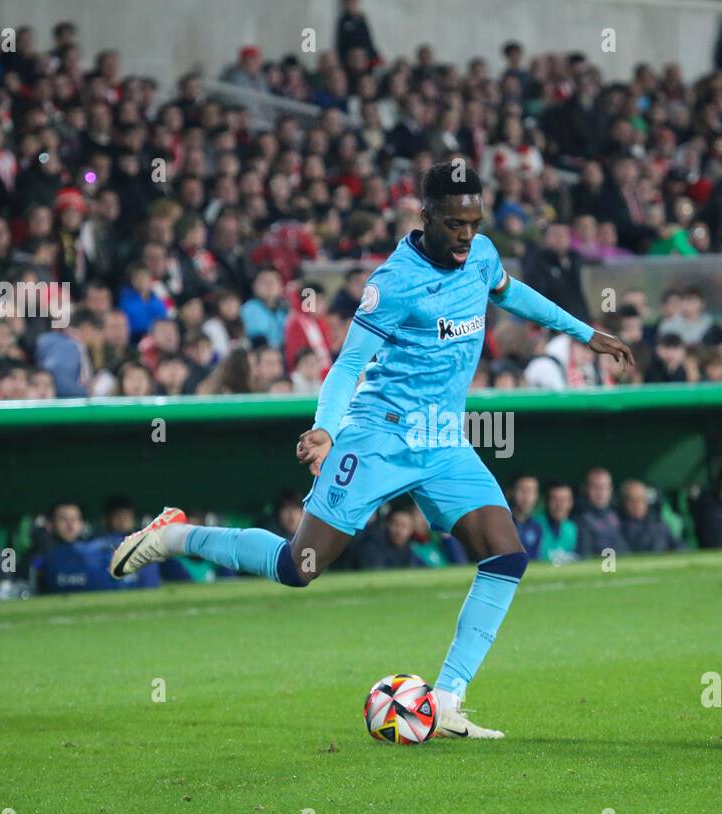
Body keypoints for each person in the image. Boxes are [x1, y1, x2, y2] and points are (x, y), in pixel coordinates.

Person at [108, 162, 633, 739]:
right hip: (379, 435)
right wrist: (326, 429)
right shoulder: (393, 282)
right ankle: (173, 535)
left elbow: (511, 293)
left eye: (474, 222)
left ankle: (448, 700)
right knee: (298, 566)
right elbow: (349, 363)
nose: (465, 235)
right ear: (426, 216)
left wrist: (584, 332)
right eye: (454, 223)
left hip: (442, 439)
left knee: (505, 555)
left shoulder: (481, 254)